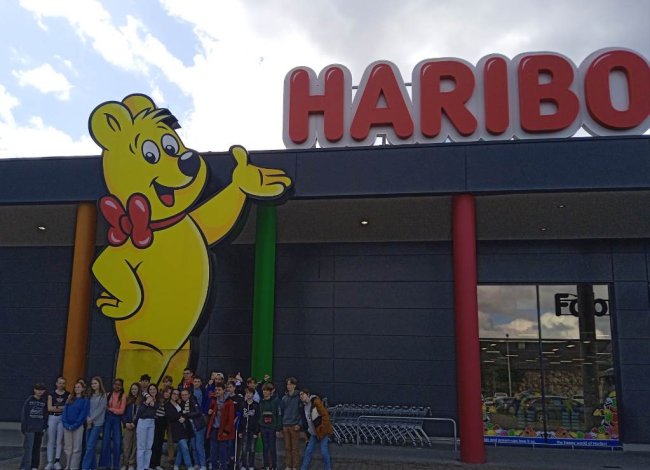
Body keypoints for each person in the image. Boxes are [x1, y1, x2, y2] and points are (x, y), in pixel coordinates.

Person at [299, 389, 333, 470]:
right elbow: (307, 421)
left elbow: (325, 415)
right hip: (313, 433)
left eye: (303, 394)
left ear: (308, 394)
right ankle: (303, 468)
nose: (301, 396)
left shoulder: (315, 402)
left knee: (324, 451)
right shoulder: (304, 406)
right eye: (300, 395)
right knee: (308, 451)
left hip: (322, 432)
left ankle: (328, 468)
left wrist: (322, 429)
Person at [99, 378, 126, 470]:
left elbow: (121, 411)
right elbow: (104, 406)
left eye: (119, 385)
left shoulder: (123, 396)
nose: (117, 386)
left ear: (121, 386)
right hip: (108, 419)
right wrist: (111, 410)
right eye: (115, 384)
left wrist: (110, 409)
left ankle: (116, 465)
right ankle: (105, 465)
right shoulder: (108, 394)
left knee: (117, 442)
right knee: (105, 441)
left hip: (116, 419)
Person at [207, 382, 235, 470]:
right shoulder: (214, 400)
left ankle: (223, 467)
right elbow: (210, 409)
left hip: (223, 429)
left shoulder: (229, 402)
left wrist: (226, 430)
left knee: (223, 451)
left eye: (219, 390)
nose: (217, 391)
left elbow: (231, 418)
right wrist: (210, 410)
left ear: (224, 390)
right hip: (214, 428)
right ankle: (214, 467)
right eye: (216, 390)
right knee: (213, 450)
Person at [81, 376, 107, 470]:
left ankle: (85, 467)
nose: (93, 385)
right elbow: (87, 407)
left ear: (99, 384)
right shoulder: (89, 395)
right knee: (89, 446)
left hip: (97, 423)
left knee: (90, 446)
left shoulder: (103, 395)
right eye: (92, 383)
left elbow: (101, 409)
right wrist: (88, 418)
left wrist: (91, 419)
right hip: (88, 422)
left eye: (95, 383)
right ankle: (93, 467)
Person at [62, 381, 90, 470]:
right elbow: (64, 412)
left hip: (78, 426)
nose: (76, 389)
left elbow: (83, 415)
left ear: (83, 389)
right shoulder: (70, 398)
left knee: (77, 448)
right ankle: (67, 465)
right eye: (75, 387)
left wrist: (75, 425)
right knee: (68, 447)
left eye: (79, 387)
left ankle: (74, 467)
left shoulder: (85, 401)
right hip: (67, 426)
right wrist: (65, 424)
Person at [21, 382, 48, 470]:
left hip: (39, 428)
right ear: (34, 390)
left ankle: (34, 466)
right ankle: (25, 466)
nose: (40, 391)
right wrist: (24, 427)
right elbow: (24, 414)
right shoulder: (29, 400)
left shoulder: (44, 401)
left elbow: (45, 415)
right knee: (28, 448)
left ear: (44, 391)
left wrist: (44, 426)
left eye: (42, 390)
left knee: (37, 447)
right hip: (30, 428)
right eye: (38, 389)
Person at [165, 389, 193, 470]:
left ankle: (176, 465)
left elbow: (186, 414)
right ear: (171, 394)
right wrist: (181, 414)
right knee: (185, 448)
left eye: (177, 394)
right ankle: (189, 466)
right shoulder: (167, 405)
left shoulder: (180, 403)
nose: (176, 395)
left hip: (185, 428)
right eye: (174, 393)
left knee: (181, 449)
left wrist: (183, 416)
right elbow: (171, 416)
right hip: (176, 429)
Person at [45, 376, 69, 470]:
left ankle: (57, 461)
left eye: (63, 383)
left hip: (62, 418)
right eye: (60, 383)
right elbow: (49, 408)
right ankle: (49, 462)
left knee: (59, 440)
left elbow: (67, 407)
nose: (61, 385)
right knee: (51, 440)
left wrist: (57, 407)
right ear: (56, 383)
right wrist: (60, 408)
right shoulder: (51, 394)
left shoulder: (68, 394)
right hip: (52, 417)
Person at [180, 388, 207, 470]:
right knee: (194, 447)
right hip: (191, 428)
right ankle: (197, 464)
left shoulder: (193, 401)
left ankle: (203, 465)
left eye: (185, 395)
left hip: (198, 427)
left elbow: (198, 412)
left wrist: (187, 414)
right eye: (182, 395)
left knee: (199, 446)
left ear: (189, 395)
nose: (184, 396)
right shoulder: (182, 404)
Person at [258, 382, 281, 470]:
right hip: (263, 428)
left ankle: (274, 466)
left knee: (272, 447)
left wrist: (278, 429)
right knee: (265, 448)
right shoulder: (261, 402)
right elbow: (259, 416)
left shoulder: (275, 401)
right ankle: (266, 466)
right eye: (264, 390)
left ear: (271, 392)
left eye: (267, 390)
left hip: (272, 428)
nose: (265, 392)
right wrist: (259, 429)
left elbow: (279, 415)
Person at [134, 384, 158, 470]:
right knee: (141, 447)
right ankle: (140, 468)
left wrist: (151, 400)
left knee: (149, 447)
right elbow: (139, 412)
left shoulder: (157, 400)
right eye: (150, 389)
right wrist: (147, 402)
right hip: (142, 422)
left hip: (152, 422)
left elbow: (156, 407)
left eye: (154, 389)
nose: (152, 391)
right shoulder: (144, 399)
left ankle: (146, 467)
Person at [281, 377, 302, 470]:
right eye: (287, 384)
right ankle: (288, 465)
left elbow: (302, 412)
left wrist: (299, 424)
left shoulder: (298, 398)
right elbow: (282, 412)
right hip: (285, 425)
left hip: (294, 425)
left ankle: (295, 466)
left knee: (295, 448)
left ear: (294, 385)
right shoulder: (284, 398)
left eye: (290, 384)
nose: (288, 386)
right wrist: (282, 424)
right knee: (287, 447)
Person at [150, 387, 171, 470]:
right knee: (154, 443)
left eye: (169, 393)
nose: (167, 394)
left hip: (163, 422)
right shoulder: (158, 399)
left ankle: (157, 464)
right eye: (166, 392)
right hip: (155, 421)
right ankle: (151, 464)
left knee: (160, 444)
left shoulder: (169, 402)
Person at [238, 388, 260, 470]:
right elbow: (240, 418)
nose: (248, 394)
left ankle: (251, 465)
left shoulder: (256, 405)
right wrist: (240, 431)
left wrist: (256, 432)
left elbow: (258, 419)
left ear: (253, 394)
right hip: (244, 430)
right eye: (247, 393)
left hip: (253, 431)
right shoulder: (242, 404)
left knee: (252, 449)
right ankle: (244, 465)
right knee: (244, 449)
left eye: (250, 393)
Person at [121, 383, 140, 470]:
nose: (133, 390)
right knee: (126, 445)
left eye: (135, 389)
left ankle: (131, 463)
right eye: (132, 389)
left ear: (138, 390)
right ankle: (125, 463)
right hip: (128, 425)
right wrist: (125, 423)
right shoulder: (127, 400)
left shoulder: (141, 401)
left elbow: (141, 413)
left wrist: (135, 423)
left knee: (135, 445)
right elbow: (123, 412)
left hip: (137, 425)